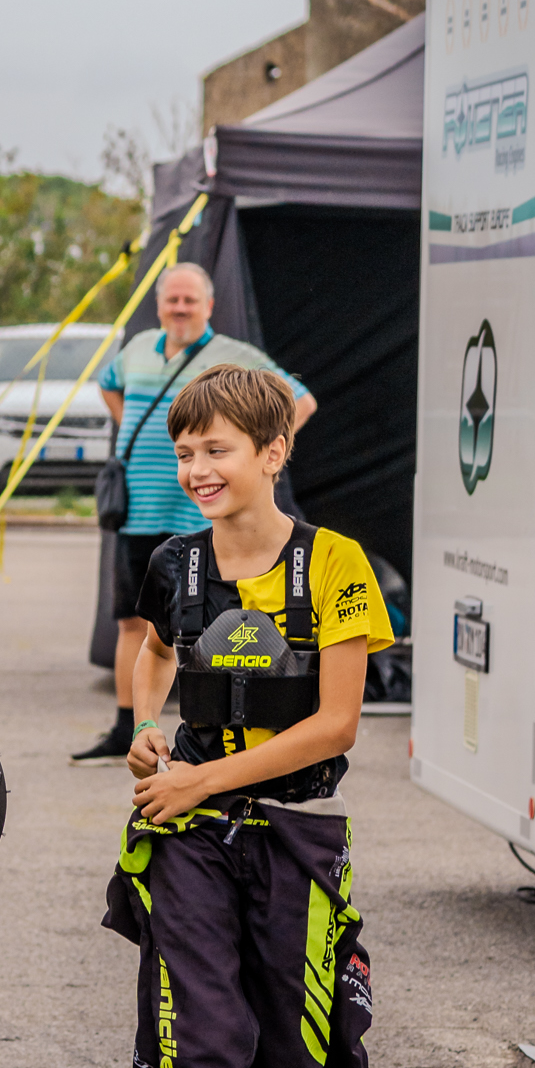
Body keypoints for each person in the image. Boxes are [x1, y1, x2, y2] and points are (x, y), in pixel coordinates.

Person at [102, 364, 392, 1068]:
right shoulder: (175, 563)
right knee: (195, 1037)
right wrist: (147, 730)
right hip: (187, 835)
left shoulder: (336, 565)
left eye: (216, 449)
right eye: (185, 452)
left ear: (274, 452)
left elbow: (336, 724)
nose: (196, 469)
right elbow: (154, 651)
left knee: (292, 1050)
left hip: (296, 835)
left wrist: (200, 777)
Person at [74, 262, 317, 762]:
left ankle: (224, 730)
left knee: (209, 623)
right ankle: (128, 726)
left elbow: (302, 400)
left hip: (196, 517)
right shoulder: (137, 349)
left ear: (209, 306)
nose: (180, 308)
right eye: (173, 300)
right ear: (159, 305)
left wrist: (259, 451)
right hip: (137, 512)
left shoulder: (235, 355)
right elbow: (107, 383)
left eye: (190, 300)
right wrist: (133, 427)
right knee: (134, 622)